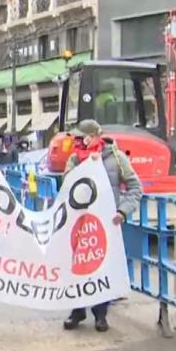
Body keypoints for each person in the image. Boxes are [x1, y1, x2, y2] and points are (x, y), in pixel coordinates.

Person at [62, 119, 142, 332]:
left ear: (95, 136)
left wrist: (122, 211)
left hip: (107, 222)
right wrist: (86, 167)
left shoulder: (116, 157)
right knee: (78, 266)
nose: (79, 140)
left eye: (83, 136)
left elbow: (135, 187)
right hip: (79, 221)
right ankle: (77, 310)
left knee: (103, 267)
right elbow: (67, 182)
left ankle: (101, 314)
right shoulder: (75, 158)